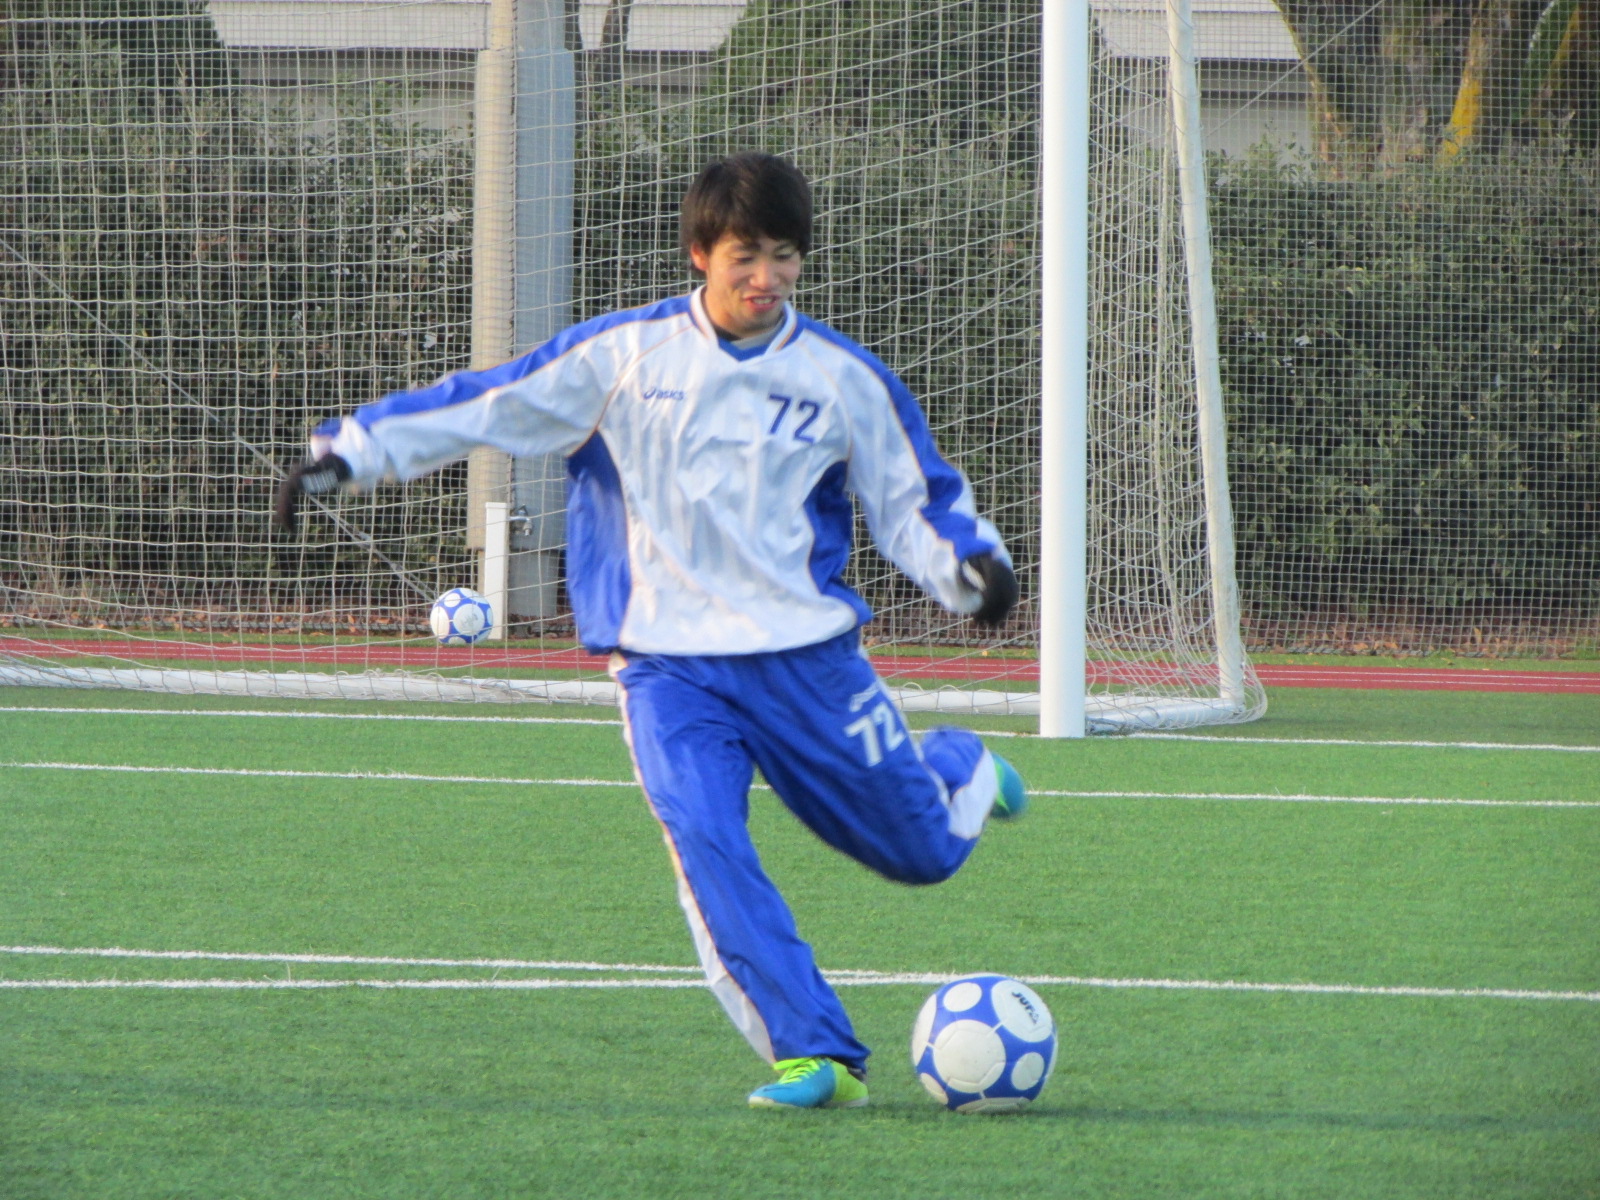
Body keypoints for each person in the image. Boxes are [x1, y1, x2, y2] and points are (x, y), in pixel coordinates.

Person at [276, 152, 1025, 1110]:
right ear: (700, 253)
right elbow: (488, 402)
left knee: (919, 854)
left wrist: (971, 569)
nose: (766, 277)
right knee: (705, 836)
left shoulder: (843, 379)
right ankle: (814, 1053)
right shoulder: (622, 358)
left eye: (784, 256)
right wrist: (350, 452)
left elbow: (915, 498)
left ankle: (959, 766)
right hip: (668, 670)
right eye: (746, 255)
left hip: (807, 662)